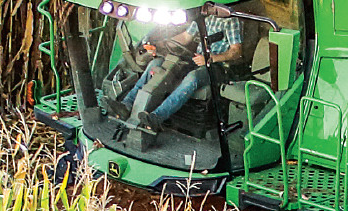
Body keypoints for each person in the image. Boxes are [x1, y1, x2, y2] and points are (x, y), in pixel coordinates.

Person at [104, 14, 243, 132]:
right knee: (156, 63)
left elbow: (236, 51)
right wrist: (161, 45)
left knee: (192, 77)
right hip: (196, 59)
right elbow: (185, 37)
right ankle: (126, 105)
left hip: (217, 65)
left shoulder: (231, 21)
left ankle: (156, 118)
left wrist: (210, 58)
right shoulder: (203, 17)